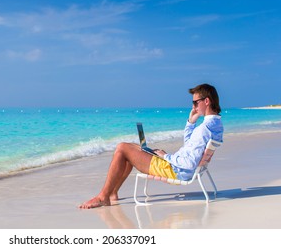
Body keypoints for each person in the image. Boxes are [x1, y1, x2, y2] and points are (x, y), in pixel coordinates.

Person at [79, 83, 224, 209]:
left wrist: (166, 156)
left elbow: (190, 162)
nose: (193, 107)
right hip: (178, 167)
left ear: (206, 101)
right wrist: (191, 122)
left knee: (122, 148)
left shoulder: (204, 129)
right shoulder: (215, 124)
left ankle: (103, 196)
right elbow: (189, 145)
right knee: (133, 149)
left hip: (175, 170)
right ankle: (113, 192)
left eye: (195, 103)